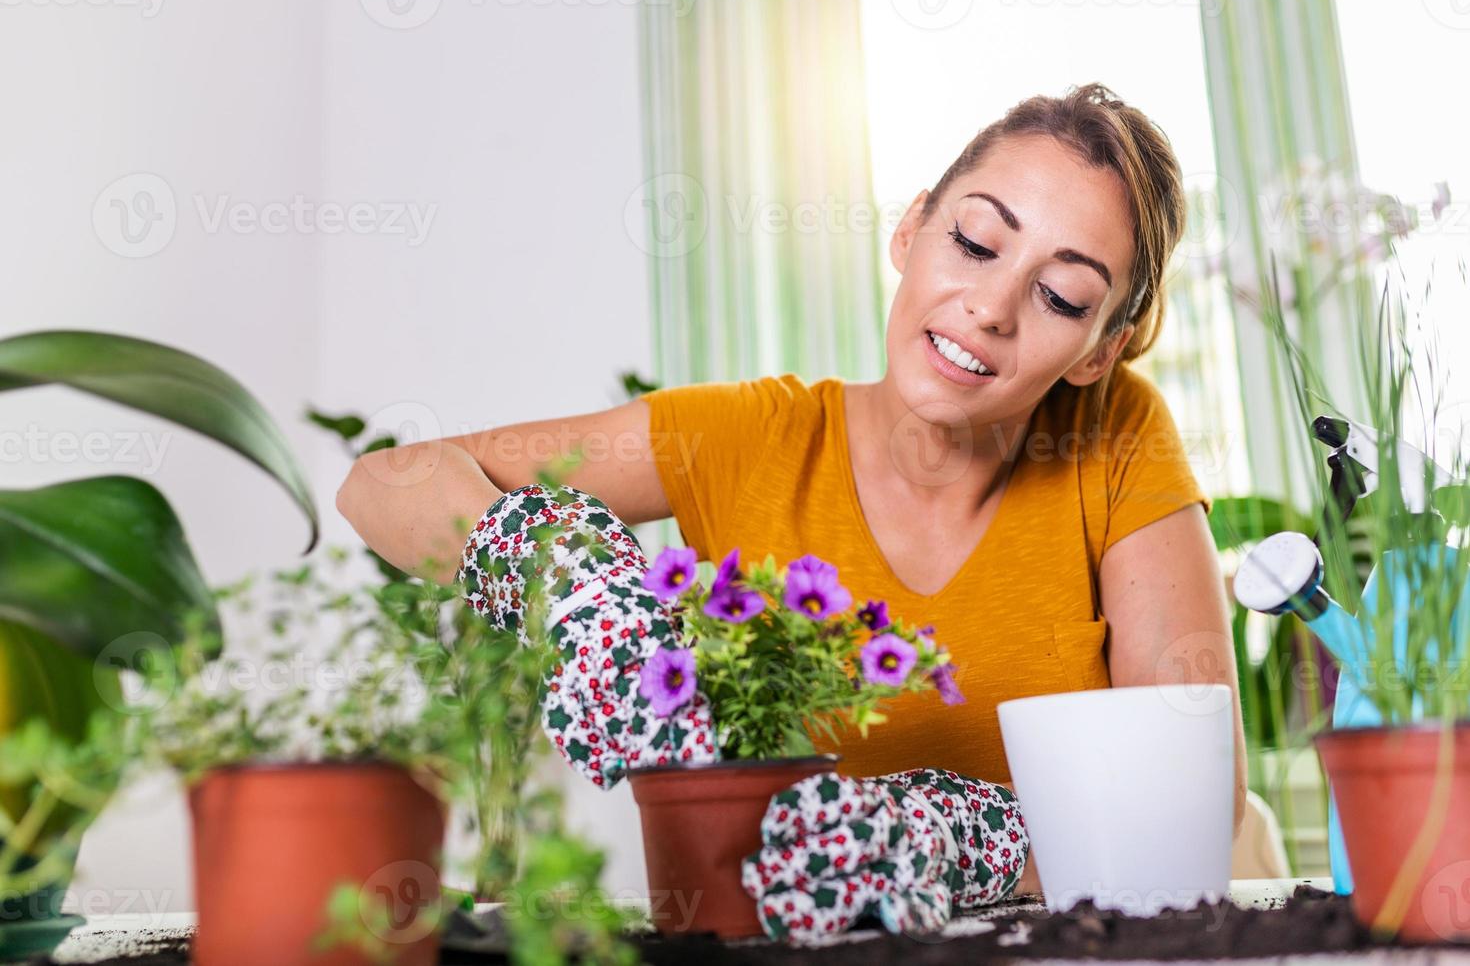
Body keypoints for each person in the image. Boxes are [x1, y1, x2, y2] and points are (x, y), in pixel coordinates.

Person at [336, 83, 1248, 907]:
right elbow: (384, 481)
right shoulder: (748, 439)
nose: (991, 306)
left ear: (1097, 350)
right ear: (912, 229)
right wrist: (572, 587)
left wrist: (950, 838)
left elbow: (1190, 806)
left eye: (1059, 294)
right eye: (974, 242)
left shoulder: (1114, 435)